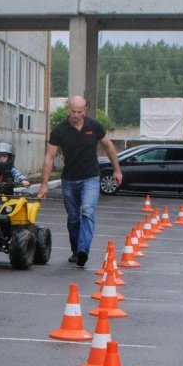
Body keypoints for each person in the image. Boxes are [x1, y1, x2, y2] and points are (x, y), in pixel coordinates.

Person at [37, 96, 122, 268]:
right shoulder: (59, 130)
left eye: (79, 112)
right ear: (69, 109)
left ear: (85, 110)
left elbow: (109, 146)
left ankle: (84, 250)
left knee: (88, 212)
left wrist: (117, 170)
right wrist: (44, 184)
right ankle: (76, 251)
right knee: (74, 219)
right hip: (69, 180)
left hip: (91, 177)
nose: (76, 115)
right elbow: (50, 156)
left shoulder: (94, 126)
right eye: (73, 111)